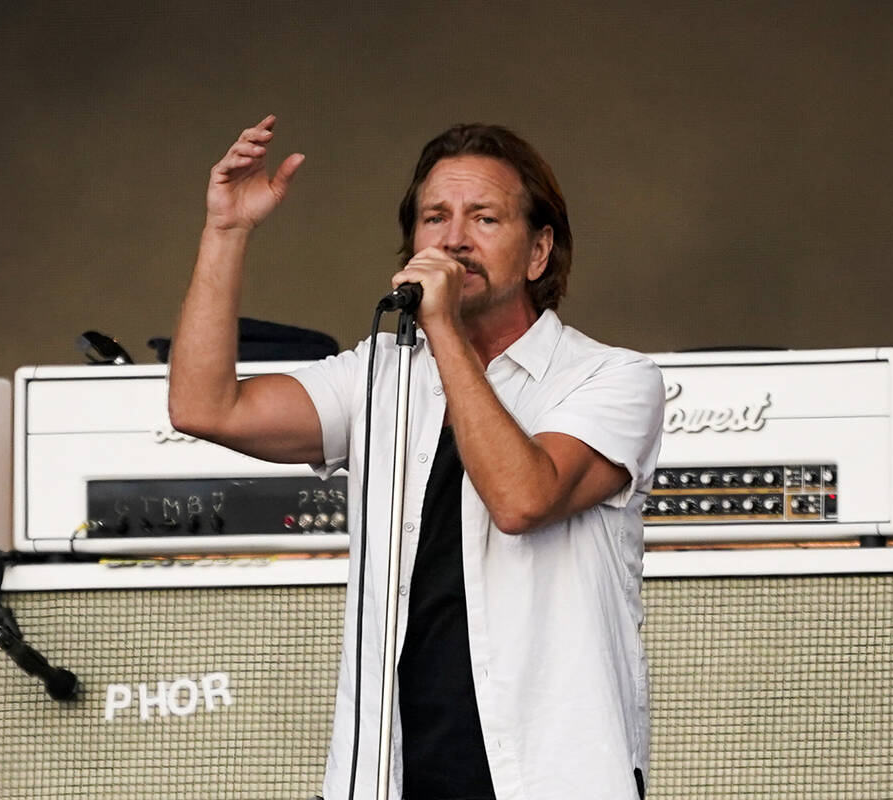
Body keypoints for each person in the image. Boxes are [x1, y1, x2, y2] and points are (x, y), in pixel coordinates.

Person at [168, 115, 665, 800]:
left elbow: (523, 500)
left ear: (538, 252)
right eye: (435, 218)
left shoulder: (611, 379)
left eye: (484, 218)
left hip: (552, 776)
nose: (454, 238)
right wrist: (226, 231)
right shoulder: (377, 375)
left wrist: (442, 326)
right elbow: (204, 407)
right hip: (387, 777)